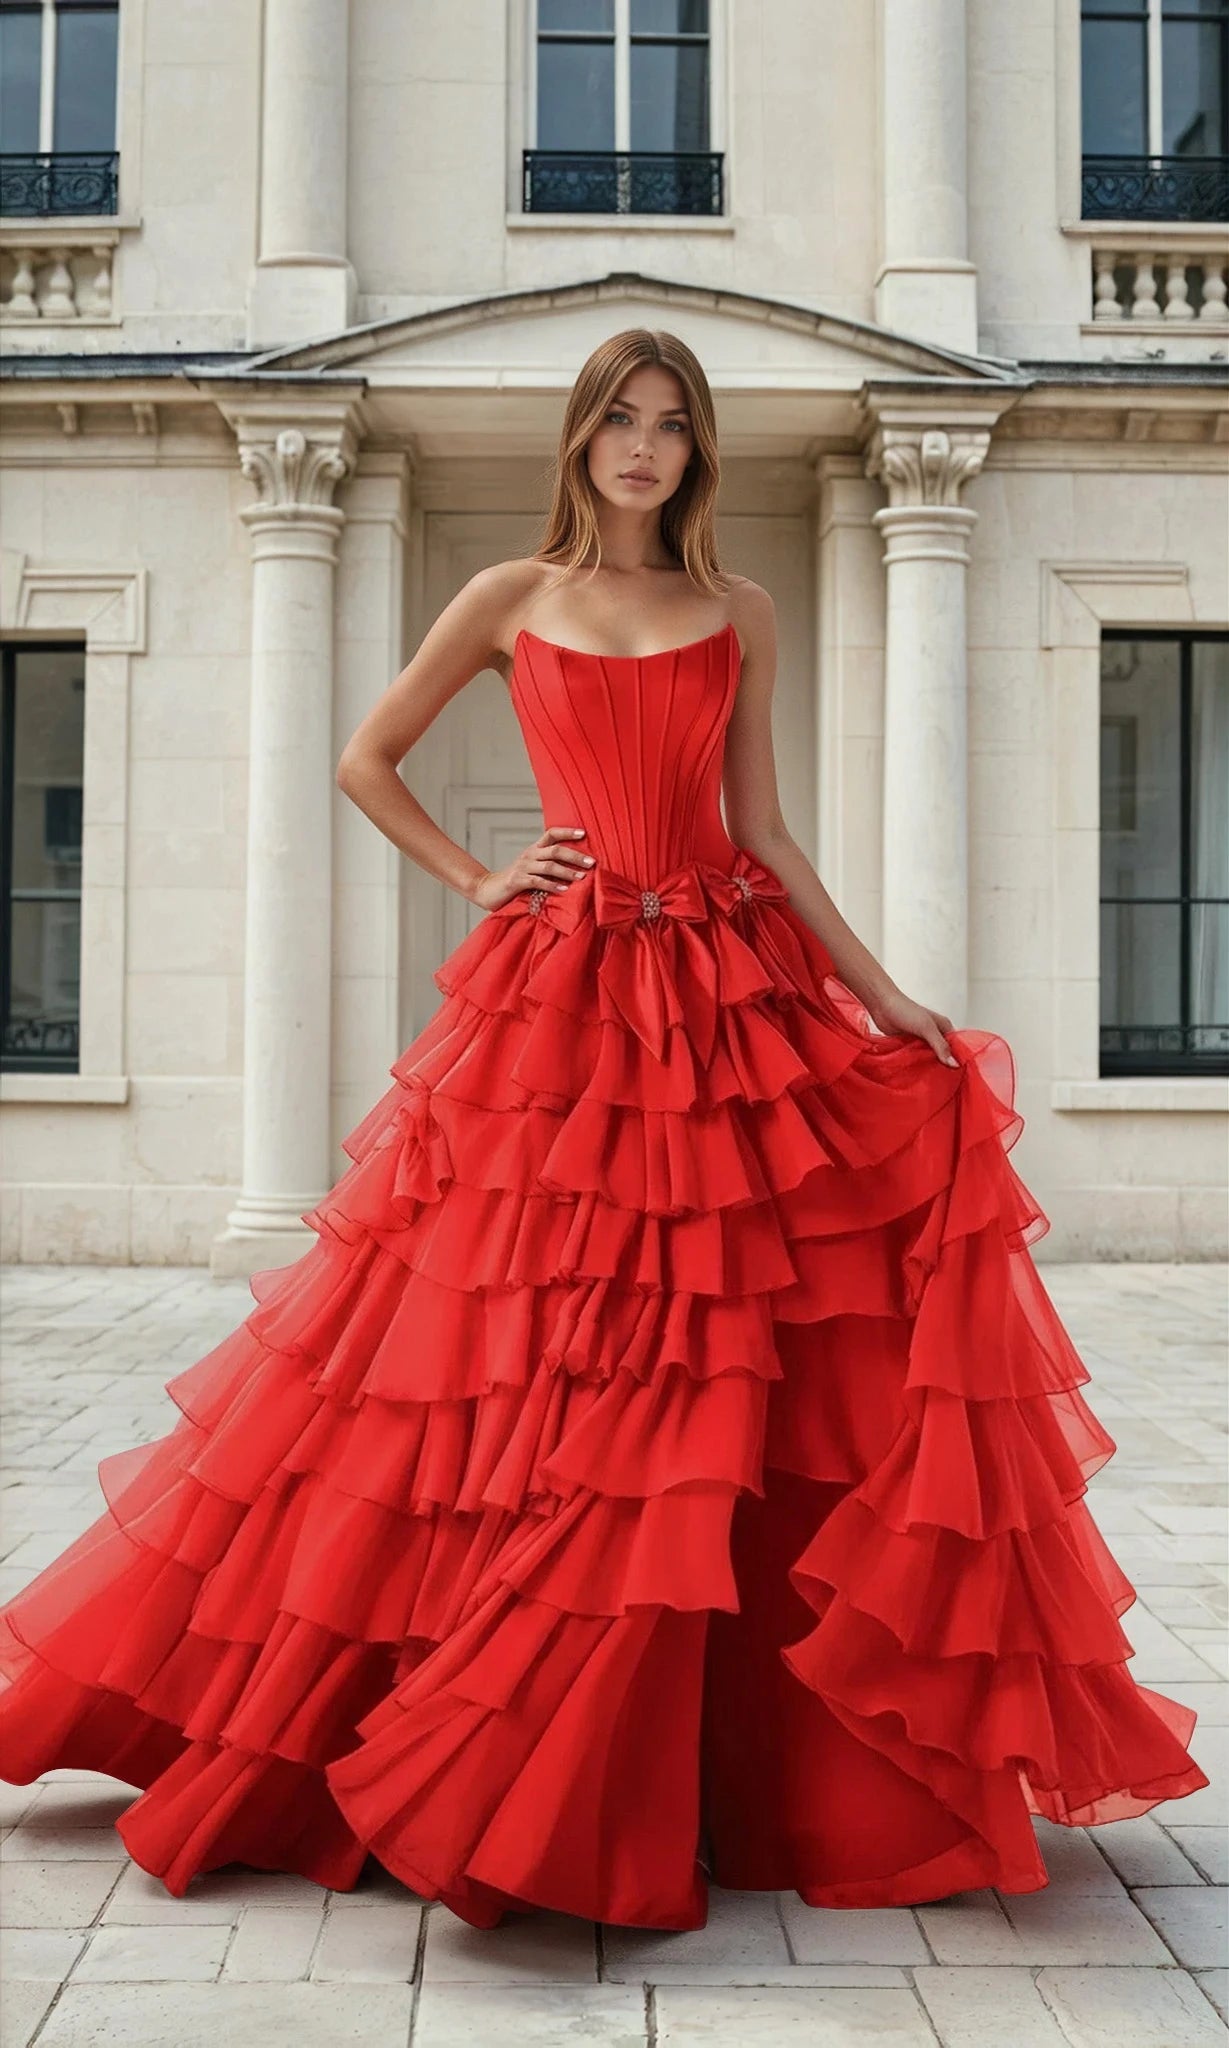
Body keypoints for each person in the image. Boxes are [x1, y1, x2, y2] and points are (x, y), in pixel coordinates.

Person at [0, 328, 1207, 1933]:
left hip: (722, 983)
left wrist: (886, 994)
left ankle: (715, 1759)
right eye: (620, 422)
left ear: (695, 453)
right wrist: (484, 875)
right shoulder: (507, 595)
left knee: (730, 1353)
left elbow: (761, 830)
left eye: (670, 426)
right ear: (579, 442)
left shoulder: (739, 610)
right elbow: (365, 759)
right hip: (558, 1006)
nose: (643, 448)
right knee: (507, 1345)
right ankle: (456, 1720)